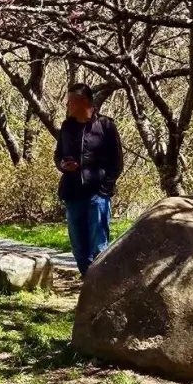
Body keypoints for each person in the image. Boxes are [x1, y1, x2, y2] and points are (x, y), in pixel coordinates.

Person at [54, 83, 124, 276]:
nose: (67, 105)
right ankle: (89, 287)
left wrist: (104, 190)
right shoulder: (67, 127)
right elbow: (58, 156)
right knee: (79, 249)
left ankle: (100, 290)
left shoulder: (106, 125)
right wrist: (63, 165)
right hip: (72, 195)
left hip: (97, 196)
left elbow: (117, 162)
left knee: (99, 248)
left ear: (83, 101)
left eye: (70, 101)